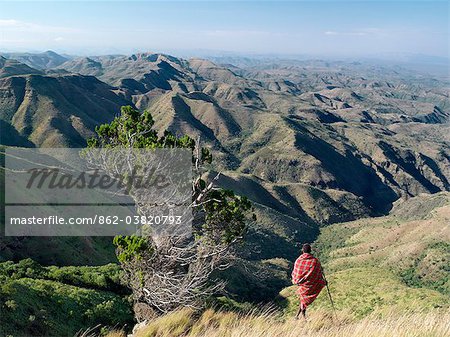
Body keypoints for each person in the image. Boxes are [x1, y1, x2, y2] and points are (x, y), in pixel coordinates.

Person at [291, 243, 326, 319]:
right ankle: (301, 317)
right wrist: (323, 282)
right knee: (303, 302)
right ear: (310, 251)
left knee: (303, 301)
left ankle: (299, 317)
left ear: (302, 251)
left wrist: (298, 280)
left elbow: (295, 273)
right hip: (311, 285)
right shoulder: (315, 261)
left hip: (302, 285)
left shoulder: (298, 260)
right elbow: (318, 273)